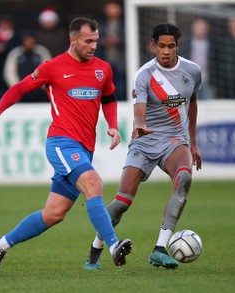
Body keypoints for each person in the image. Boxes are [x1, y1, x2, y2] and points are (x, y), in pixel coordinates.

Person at [0, 17, 132, 278]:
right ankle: (113, 245)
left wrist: (113, 125)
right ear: (73, 40)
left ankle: (0, 244)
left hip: (84, 148)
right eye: (88, 41)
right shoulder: (53, 67)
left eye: (95, 40)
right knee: (93, 183)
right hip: (61, 142)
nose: (93, 45)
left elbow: (108, 97)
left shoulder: (103, 69)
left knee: (54, 213)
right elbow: (19, 88)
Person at [84, 23, 202, 270]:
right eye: (161, 46)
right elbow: (139, 112)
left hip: (174, 140)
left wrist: (193, 142)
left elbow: (192, 102)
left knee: (184, 179)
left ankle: (159, 249)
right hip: (145, 141)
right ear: (153, 45)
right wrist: (139, 125)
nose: (166, 51)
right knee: (121, 203)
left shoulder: (192, 71)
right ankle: (96, 247)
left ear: (178, 46)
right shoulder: (144, 75)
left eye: (171, 46)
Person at [3, 31, 52, 102]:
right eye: (27, 40)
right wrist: (18, 88)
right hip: (21, 92)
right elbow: (9, 72)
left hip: (40, 91)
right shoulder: (15, 53)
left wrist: (43, 87)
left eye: (31, 40)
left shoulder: (42, 52)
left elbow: (49, 70)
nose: (29, 43)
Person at [0, 15, 21, 102]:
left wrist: (4, 48)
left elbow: (18, 51)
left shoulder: (16, 38)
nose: (4, 26)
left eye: (6, 24)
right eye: (2, 24)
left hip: (13, 73)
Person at [97, 1, 127, 101]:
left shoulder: (126, 23)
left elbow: (132, 39)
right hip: (107, 60)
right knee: (107, 86)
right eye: (110, 8)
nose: (112, 11)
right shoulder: (102, 23)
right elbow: (96, 40)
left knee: (122, 86)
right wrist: (104, 41)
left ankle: (123, 105)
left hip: (121, 61)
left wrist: (119, 40)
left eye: (115, 8)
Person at [182, 18, 216, 100]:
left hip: (208, 80)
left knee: (209, 105)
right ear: (193, 30)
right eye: (199, 29)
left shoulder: (212, 44)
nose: (201, 31)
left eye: (203, 29)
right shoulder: (186, 44)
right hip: (191, 82)